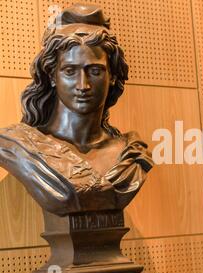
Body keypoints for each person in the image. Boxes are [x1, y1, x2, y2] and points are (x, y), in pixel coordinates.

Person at [0, 4, 153, 214]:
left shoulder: (131, 154)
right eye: (70, 71)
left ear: (113, 77)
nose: (83, 85)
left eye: (95, 71)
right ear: (52, 76)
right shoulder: (17, 145)